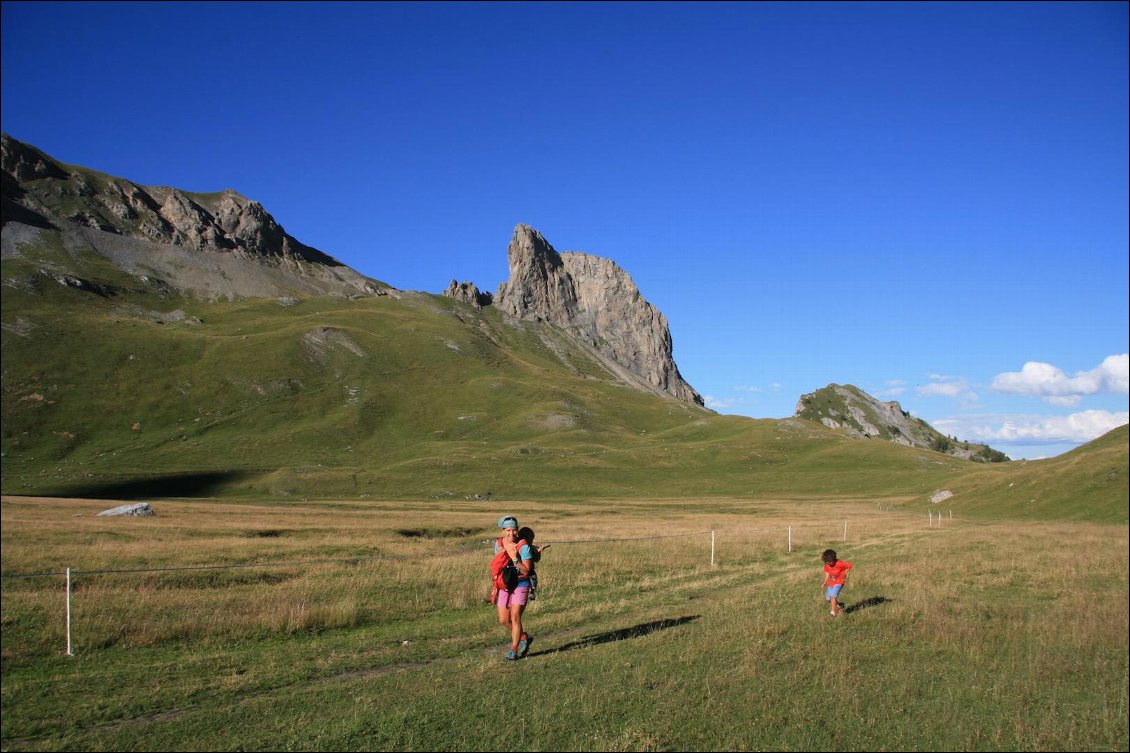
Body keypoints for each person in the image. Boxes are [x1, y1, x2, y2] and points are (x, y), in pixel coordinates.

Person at [493, 516, 536, 660]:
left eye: (514, 530)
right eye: (508, 530)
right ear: (503, 530)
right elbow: (497, 567)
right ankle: (524, 637)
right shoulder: (499, 544)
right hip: (505, 585)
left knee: (515, 617)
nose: (511, 534)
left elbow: (527, 571)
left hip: (521, 583)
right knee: (504, 620)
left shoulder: (523, 546)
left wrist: (514, 558)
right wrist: (500, 558)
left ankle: (513, 650)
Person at [517, 525, 550, 600]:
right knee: (533, 577)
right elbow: (536, 559)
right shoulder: (528, 547)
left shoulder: (516, 544)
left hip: (517, 569)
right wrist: (538, 552)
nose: (532, 541)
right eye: (531, 539)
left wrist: (538, 551)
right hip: (524, 569)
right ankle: (532, 591)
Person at [821, 549, 853, 617]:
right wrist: (824, 582)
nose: (828, 564)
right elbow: (827, 573)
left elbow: (850, 565)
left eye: (830, 562)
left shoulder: (839, 563)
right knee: (829, 599)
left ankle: (833, 613)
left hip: (839, 582)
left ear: (834, 559)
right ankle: (840, 606)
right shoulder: (827, 565)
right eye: (826, 562)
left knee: (833, 596)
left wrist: (844, 573)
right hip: (831, 583)